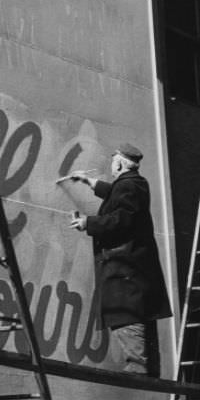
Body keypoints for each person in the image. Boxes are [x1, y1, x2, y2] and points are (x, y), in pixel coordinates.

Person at [68, 142, 172, 377]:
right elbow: (117, 195)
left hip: (124, 265)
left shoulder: (128, 186)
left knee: (125, 312)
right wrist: (89, 181)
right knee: (139, 314)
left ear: (118, 163)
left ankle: (137, 366)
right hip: (134, 265)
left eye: (113, 163)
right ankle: (147, 366)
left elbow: (121, 218)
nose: (111, 167)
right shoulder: (133, 185)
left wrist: (88, 223)